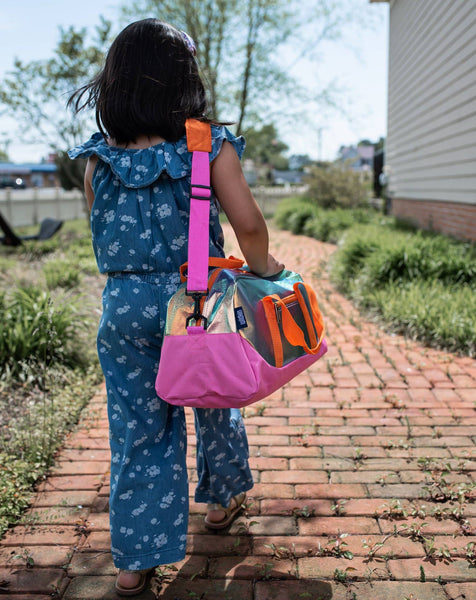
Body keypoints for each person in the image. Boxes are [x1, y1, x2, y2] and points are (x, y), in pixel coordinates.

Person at [68, 18, 284, 596]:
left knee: (139, 430)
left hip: (124, 311)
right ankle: (221, 503)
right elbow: (251, 227)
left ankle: (134, 563)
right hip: (196, 307)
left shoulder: (96, 160)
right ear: (183, 83)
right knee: (216, 400)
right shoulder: (207, 146)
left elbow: (102, 232)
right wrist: (267, 274)